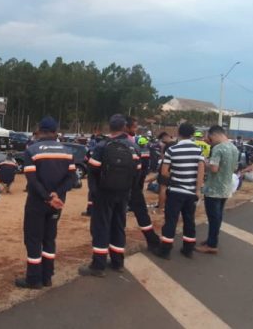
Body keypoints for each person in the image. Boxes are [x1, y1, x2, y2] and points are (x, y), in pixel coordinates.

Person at [17, 117, 76, 287]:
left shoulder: (32, 150)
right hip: (57, 203)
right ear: (55, 131)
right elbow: (72, 178)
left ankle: (34, 279)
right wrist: (56, 195)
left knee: (33, 239)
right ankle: (47, 276)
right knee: (50, 238)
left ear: (39, 130)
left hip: (37, 202)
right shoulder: (67, 151)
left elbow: (32, 180)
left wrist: (47, 196)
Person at [79, 114, 140, 277]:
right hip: (123, 194)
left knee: (101, 227)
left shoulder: (102, 146)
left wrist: (95, 192)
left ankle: (98, 266)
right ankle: (117, 262)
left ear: (110, 127)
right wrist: (129, 191)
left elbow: (92, 170)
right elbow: (138, 172)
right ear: (124, 127)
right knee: (119, 226)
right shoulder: (133, 147)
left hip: (104, 194)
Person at [154, 123, 204, 260]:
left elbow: (164, 171)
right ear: (192, 134)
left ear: (178, 133)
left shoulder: (172, 149)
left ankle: (165, 250)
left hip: (175, 191)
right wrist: (197, 190)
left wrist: (176, 177)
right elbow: (200, 171)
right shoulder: (198, 150)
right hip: (191, 192)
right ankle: (188, 249)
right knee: (189, 220)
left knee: (171, 220)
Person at [196, 125, 239, 254]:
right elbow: (234, 167)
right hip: (226, 188)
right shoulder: (234, 148)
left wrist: (204, 162)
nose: (210, 140)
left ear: (214, 134)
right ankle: (211, 239)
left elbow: (214, 168)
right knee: (218, 216)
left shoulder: (218, 148)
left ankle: (212, 245)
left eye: (210, 137)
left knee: (213, 217)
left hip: (214, 189)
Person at [124, 118, 161, 250]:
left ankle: (119, 239)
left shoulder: (111, 143)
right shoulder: (132, 144)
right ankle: (152, 241)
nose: (136, 130)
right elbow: (140, 168)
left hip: (120, 186)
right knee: (142, 214)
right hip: (133, 186)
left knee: (119, 214)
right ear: (126, 127)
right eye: (134, 127)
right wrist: (139, 185)